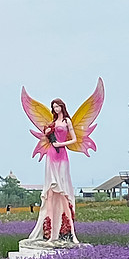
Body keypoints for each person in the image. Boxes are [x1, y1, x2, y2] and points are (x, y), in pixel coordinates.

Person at [27, 98, 80, 244]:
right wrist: (50, 138)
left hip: (62, 153)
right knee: (51, 188)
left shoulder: (67, 122)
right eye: (54, 107)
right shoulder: (52, 124)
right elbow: (48, 137)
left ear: (62, 107)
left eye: (58, 106)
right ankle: (50, 230)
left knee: (63, 187)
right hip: (51, 154)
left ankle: (69, 230)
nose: (56, 109)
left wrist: (61, 144)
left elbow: (74, 139)